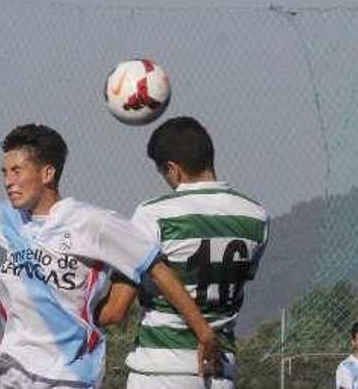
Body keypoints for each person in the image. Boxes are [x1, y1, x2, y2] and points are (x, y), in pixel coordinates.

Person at [0, 123, 217, 389]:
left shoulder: (91, 222)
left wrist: (203, 332)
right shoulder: (6, 218)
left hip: (68, 375)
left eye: (17, 171)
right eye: (4, 172)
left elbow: (154, 266)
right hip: (15, 372)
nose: (8, 181)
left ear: (47, 173)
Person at [97, 116, 269, 389]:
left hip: (160, 371)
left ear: (173, 169)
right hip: (219, 369)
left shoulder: (154, 214)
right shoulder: (256, 217)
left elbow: (115, 311)